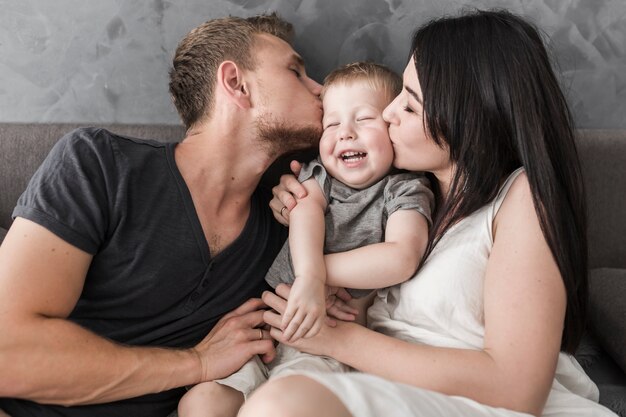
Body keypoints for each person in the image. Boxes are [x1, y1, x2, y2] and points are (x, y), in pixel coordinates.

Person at [240, 9, 619, 417]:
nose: (388, 113)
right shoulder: (404, 197)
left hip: (483, 405)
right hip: (390, 391)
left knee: (282, 405)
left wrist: (334, 334)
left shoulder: (521, 197)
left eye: (409, 104)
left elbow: (517, 388)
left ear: (467, 118)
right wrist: (301, 207)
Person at [0, 13, 324, 417]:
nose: (321, 89)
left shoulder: (286, 228)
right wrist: (198, 362)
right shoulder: (99, 164)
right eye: (296, 72)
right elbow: (7, 355)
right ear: (237, 84)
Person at [177, 62, 433, 417]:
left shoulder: (405, 189)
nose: (345, 133)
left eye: (364, 119)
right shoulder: (317, 175)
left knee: (281, 405)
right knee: (201, 402)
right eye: (332, 124)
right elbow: (306, 212)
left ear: (392, 127)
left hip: (325, 347)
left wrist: (314, 278)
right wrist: (309, 279)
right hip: (267, 333)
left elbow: (402, 257)